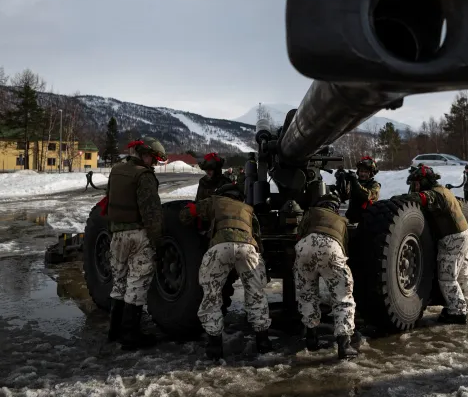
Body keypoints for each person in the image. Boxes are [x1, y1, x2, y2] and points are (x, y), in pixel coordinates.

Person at [179, 183, 272, 359]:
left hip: (220, 246)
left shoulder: (215, 201)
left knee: (211, 294)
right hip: (248, 248)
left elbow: (186, 215)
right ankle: (263, 342)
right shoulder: (248, 209)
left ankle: (214, 347)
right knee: (256, 294)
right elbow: (258, 239)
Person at [100, 137, 166, 350]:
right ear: (144, 154)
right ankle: (130, 335)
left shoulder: (116, 170)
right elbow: (152, 213)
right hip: (138, 235)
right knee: (137, 282)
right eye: (152, 159)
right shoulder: (144, 176)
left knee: (119, 282)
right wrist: (159, 242)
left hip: (117, 235)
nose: (153, 163)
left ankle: (114, 331)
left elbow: (108, 198)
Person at [393, 164, 468, 324]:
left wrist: (400, 199)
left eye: (416, 183)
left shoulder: (435, 194)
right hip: (464, 234)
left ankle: (457, 312)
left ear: (424, 181)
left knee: (447, 277)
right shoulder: (443, 190)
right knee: (463, 272)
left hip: (453, 238)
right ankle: (465, 301)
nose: (414, 187)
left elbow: (420, 198)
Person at [293, 192, 357, 360]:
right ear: (335, 208)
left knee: (307, 294)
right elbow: (344, 246)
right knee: (342, 297)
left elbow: (298, 234)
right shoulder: (341, 221)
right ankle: (344, 346)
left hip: (305, 246)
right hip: (332, 247)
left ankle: (311, 339)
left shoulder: (310, 213)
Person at [343, 156, 381, 224]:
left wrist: (355, 183)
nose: (363, 174)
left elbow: (367, 196)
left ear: (371, 173)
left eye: (366, 172)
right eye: (361, 171)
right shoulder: (354, 182)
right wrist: (345, 182)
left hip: (367, 222)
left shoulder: (375, 185)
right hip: (352, 220)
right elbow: (345, 196)